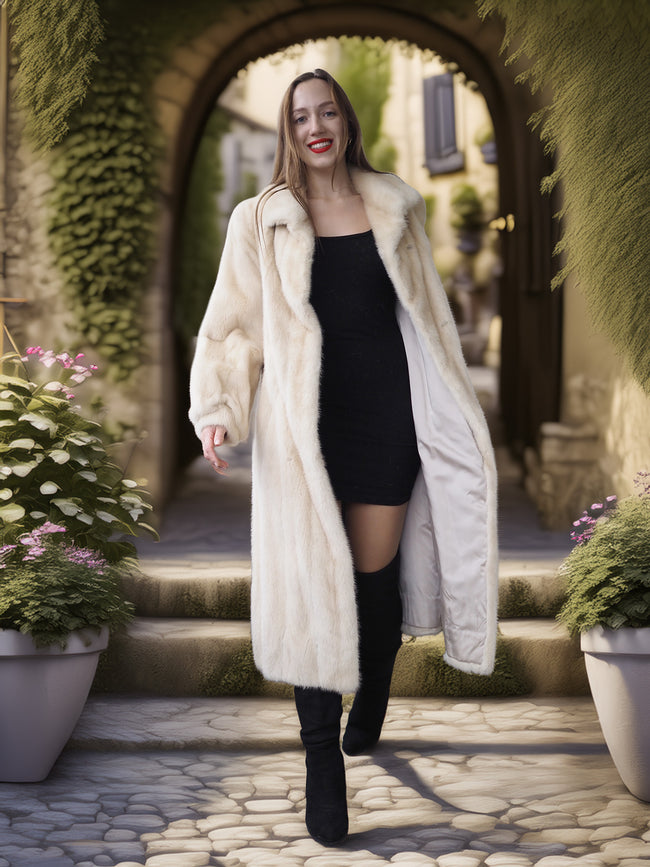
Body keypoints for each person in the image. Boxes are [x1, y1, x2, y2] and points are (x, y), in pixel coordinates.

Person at [189, 68, 498, 846]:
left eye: (327, 112)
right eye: (300, 117)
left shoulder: (395, 204)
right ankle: (321, 762)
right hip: (304, 430)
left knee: (371, 583)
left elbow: (427, 316)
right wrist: (219, 409)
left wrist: (454, 410)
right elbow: (235, 327)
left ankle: (376, 687)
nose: (315, 126)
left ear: (345, 120)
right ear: (288, 133)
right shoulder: (261, 220)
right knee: (311, 588)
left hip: (387, 418)